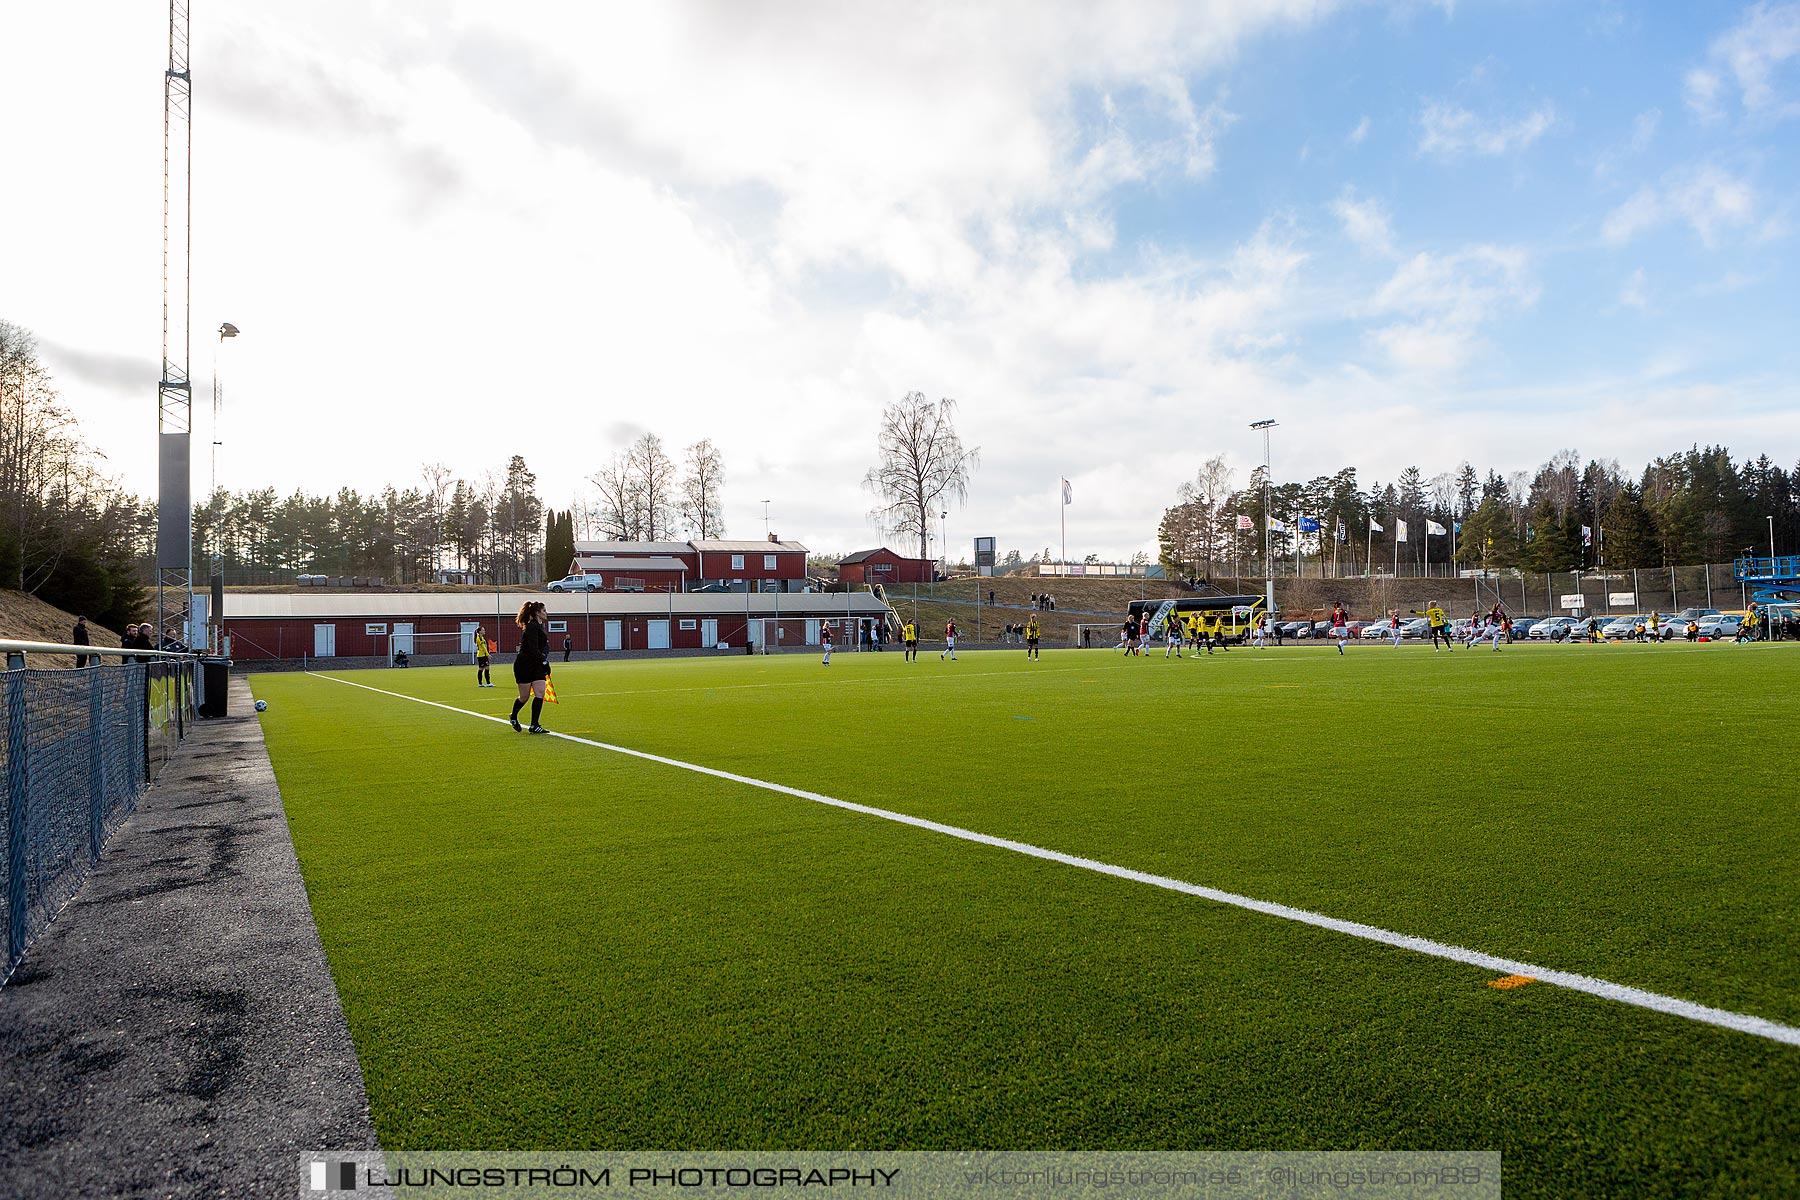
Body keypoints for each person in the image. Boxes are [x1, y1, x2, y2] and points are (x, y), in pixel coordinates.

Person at [510, 600, 552, 734]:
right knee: (524, 697)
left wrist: (544, 660)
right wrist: (544, 662)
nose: (546, 613)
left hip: (536, 663)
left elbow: (541, 647)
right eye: (544, 611)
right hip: (525, 664)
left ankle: (534, 725)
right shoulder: (532, 626)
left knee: (540, 693)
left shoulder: (540, 626)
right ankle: (513, 716)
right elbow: (533, 649)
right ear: (537, 613)